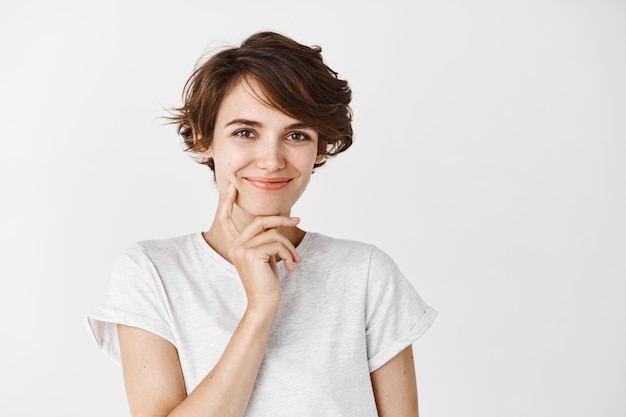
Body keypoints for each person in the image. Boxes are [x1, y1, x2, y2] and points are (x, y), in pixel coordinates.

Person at [86, 30, 437, 417]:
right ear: (205, 138)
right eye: (245, 132)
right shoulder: (151, 273)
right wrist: (260, 308)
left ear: (319, 149)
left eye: (297, 134)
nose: (271, 160)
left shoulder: (366, 274)